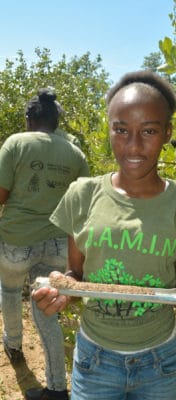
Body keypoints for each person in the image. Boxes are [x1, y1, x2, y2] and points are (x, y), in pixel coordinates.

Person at [32, 71, 176, 400]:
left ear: (167, 133)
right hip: (95, 362)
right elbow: (77, 277)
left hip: (160, 365)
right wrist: (63, 290)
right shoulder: (82, 195)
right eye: (121, 130)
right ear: (109, 131)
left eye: (148, 130)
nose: (133, 145)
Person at [0, 88, 90, 400]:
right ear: (56, 121)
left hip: (16, 241)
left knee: (10, 291)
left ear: (29, 119)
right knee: (46, 309)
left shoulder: (16, 143)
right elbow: (83, 206)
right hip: (57, 243)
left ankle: (12, 344)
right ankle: (57, 388)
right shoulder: (75, 154)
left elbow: (1, 194)